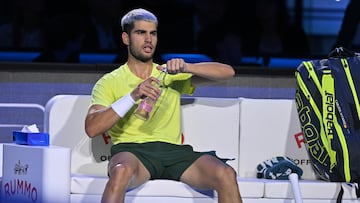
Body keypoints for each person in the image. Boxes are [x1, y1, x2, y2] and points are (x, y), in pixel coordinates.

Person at [84, 8, 242, 203]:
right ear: (126, 38)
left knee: (225, 173)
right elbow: (92, 127)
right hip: (133, 152)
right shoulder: (109, 81)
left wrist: (186, 67)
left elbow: (228, 73)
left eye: (153, 33)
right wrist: (133, 95)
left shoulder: (169, 74)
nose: (148, 39)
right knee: (120, 171)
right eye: (141, 33)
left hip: (174, 152)